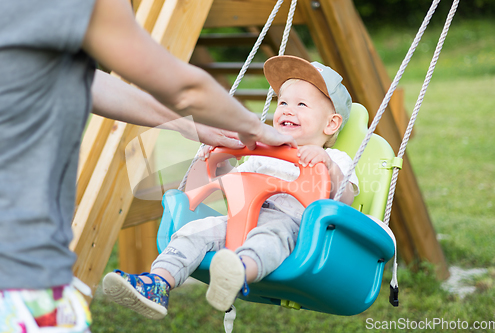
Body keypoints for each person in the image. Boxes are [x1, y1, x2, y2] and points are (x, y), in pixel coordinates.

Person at [0, 0, 296, 331]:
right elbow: (184, 89)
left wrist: (186, 124)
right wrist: (254, 126)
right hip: (19, 272)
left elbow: (83, 79)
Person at [102, 55, 360, 320]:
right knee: (193, 231)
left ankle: (237, 273)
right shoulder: (264, 155)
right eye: (282, 102)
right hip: (239, 223)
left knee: (269, 237)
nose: (287, 110)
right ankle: (158, 282)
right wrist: (219, 160)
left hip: (293, 230)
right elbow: (233, 185)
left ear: (331, 123)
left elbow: (345, 200)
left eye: (301, 104)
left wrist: (328, 166)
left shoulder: (335, 160)